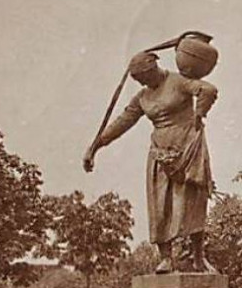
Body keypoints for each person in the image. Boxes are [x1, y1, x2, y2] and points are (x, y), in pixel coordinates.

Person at [83, 50, 218, 273]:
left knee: (193, 203)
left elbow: (208, 90)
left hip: (187, 151)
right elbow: (122, 122)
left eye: (144, 77)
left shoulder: (178, 81)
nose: (143, 82)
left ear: (153, 67)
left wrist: (199, 113)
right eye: (138, 80)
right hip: (160, 155)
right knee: (160, 205)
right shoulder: (143, 97)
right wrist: (95, 147)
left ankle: (198, 257)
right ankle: (166, 257)